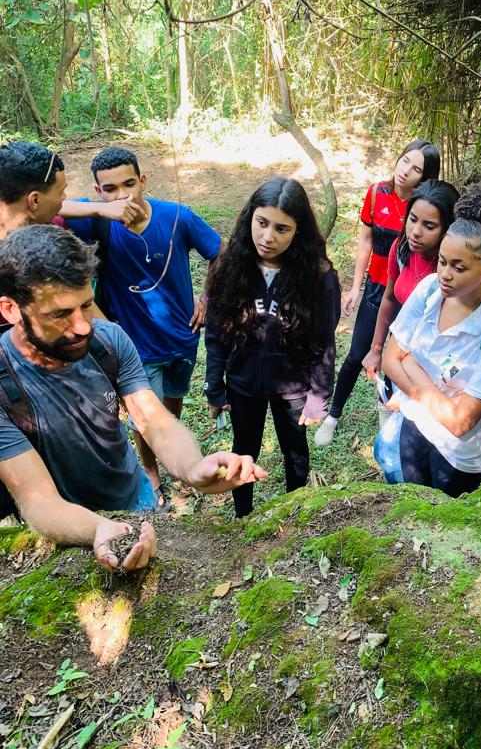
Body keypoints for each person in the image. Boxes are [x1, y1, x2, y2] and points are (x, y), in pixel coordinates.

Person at [0, 225, 263, 571]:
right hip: (72, 529)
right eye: (60, 314)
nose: (82, 326)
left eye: (86, 305)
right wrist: (100, 529)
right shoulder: (4, 385)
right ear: (11, 310)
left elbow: (154, 421)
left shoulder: (108, 341)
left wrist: (194, 467)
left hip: (138, 500)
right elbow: (39, 502)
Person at [66, 146, 223, 506]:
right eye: (109, 189)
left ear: (144, 181)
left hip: (183, 336)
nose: (122, 195)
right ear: (98, 191)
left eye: (129, 184)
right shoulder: (96, 221)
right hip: (135, 345)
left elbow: (219, 252)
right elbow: (48, 207)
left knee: (173, 398)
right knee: (143, 417)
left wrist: (205, 298)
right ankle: (150, 469)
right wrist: (99, 209)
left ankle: (172, 459)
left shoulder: (177, 217)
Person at [204, 178, 341, 516]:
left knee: (295, 451)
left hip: (293, 387)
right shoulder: (230, 265)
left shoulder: (319, 276)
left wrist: (318, 396)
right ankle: (243, 515)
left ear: (298, 230)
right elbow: (216, 333)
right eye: (262, 223)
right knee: (243, 450)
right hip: (242, 383)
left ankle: (295, 512)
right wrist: (214, 386)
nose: (268, 237)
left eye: (282, 229)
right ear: (250, 217)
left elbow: (324, 340)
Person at [381, 183, 481, 496]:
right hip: (417, 424)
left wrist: (412, 366)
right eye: (443, 261)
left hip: (462, 452)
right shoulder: (430, 289)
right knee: (410, 499)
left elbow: (461, 423)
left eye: (459, 267)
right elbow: (389, 360)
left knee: (443, 508)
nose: (445, 274)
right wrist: (439, 402)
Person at [314, 139, 441, 446]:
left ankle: (386, 410)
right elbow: (366, 241)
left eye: (416, 169)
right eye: (405, 161)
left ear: (425, 178)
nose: (405, 171)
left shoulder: (423, 210)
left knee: (400, 359)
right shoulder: (377, 193)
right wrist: (355, 287)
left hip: (410, 294)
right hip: (377, 288)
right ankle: (334, 415)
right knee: (358, 353)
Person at [362, 179, 459, 382]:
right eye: (412, 219)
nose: (416, 231)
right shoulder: (401, 249)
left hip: (433, 369)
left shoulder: (454, 271)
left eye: (429, 226)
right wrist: (376, 349)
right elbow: (389, 299)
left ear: (447, 229)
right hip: (398, 354)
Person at [0, 141, 153, 239]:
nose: (64, 198)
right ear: (35, 200)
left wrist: (100, 208)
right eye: (60, 192)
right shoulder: (47, 240)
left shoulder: (45, 221)